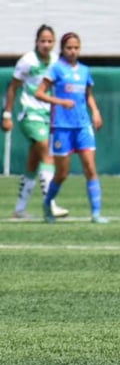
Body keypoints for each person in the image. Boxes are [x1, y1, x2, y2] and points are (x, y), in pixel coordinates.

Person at [34, 32, 108, 224]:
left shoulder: (84, 71)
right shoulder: (56, 69)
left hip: (83, 125)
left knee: (90, 168)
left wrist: (96, 112)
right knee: (62, 173)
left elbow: (88, 95)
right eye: (69, 48)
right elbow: (39, 93)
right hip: (62, 127)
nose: (73, 51)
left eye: (76, 47)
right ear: (63, 49)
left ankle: (96, 214)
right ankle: (47, 204)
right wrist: (59, 101)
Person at [2, 24, 69, 219]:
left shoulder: (56, 61)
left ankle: (20, 209)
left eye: (50, 41)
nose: (46, 45)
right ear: (36, 42)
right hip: (29, 115)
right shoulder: (27, 61)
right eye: (43, 41)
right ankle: (51, 203)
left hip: (48, 115)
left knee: (33, 161)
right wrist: (6, 115)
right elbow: (13, 87)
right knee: (47, 153)